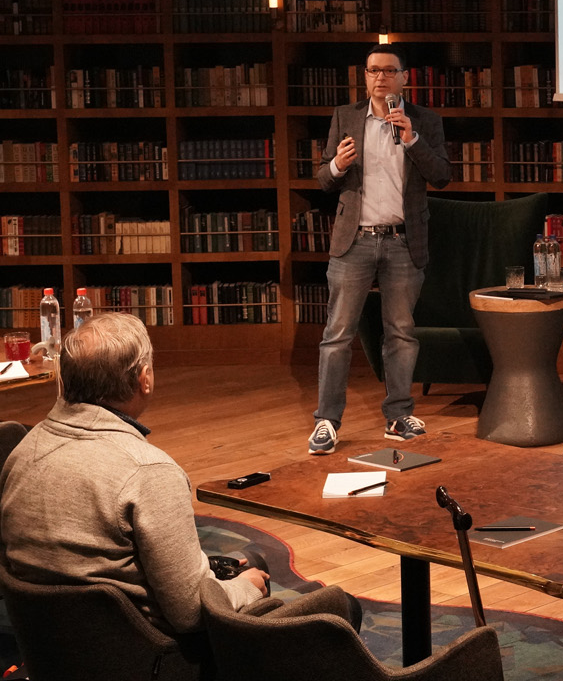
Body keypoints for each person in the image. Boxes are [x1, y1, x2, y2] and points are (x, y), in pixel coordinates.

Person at [0, 313, 358, 635]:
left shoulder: (22, 451)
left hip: (51, 645)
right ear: (144, 379)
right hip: (148, 655)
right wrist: (245, 587)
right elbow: (191, 614)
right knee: (340, 607)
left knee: (248, 563)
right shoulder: (148, 472)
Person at [309, 43, 450, 455]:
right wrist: (337, 164)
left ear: (404, 77)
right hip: (354, 239)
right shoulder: (345, 116)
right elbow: (323, 179)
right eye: (373, 71)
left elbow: (442, 175)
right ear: (365, 76)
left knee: (401, 333)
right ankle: (326, 421)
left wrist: (413, 140)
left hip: (403, 240)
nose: (380, 78)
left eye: (389, 71)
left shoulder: (424, 121)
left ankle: (399, 415)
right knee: (337, 335)